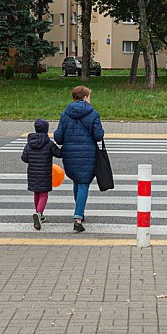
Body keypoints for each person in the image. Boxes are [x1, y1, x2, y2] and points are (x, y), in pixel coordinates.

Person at [54, 85, 104, 233]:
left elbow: (58, 137)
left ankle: (79, 211)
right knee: (83, 183)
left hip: (69, 154)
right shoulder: (93, 113)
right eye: (89, 96)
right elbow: (98, 136)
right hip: (88, 154)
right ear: (85, 97)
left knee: (77, 180)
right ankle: (78, 218)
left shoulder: (65, 114)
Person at [21, 118, 62, 230]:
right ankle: (39, 214)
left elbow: (24, 158)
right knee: (44, 195)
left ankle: (39, 214)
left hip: (33, 174)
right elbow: (59, 154)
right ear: (46, 129)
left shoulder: (30, 143)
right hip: (45, 174)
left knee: (36, 194)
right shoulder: (49, 143)